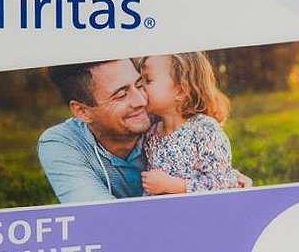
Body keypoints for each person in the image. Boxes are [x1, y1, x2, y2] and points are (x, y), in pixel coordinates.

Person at [38, 57, 251, 204]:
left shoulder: (165, 119)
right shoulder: (60, 144)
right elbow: (102, 219)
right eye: (121, 95)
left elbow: (216, 177)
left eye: (141, 84)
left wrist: (224, 183)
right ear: (83, 111)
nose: (141, 101)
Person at [140, 52, 238, 195]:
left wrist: (174, 186)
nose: (140, 86)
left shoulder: (205, 130)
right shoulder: (151, 134)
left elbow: (223, 181)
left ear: (181, 91)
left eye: (148, 80)